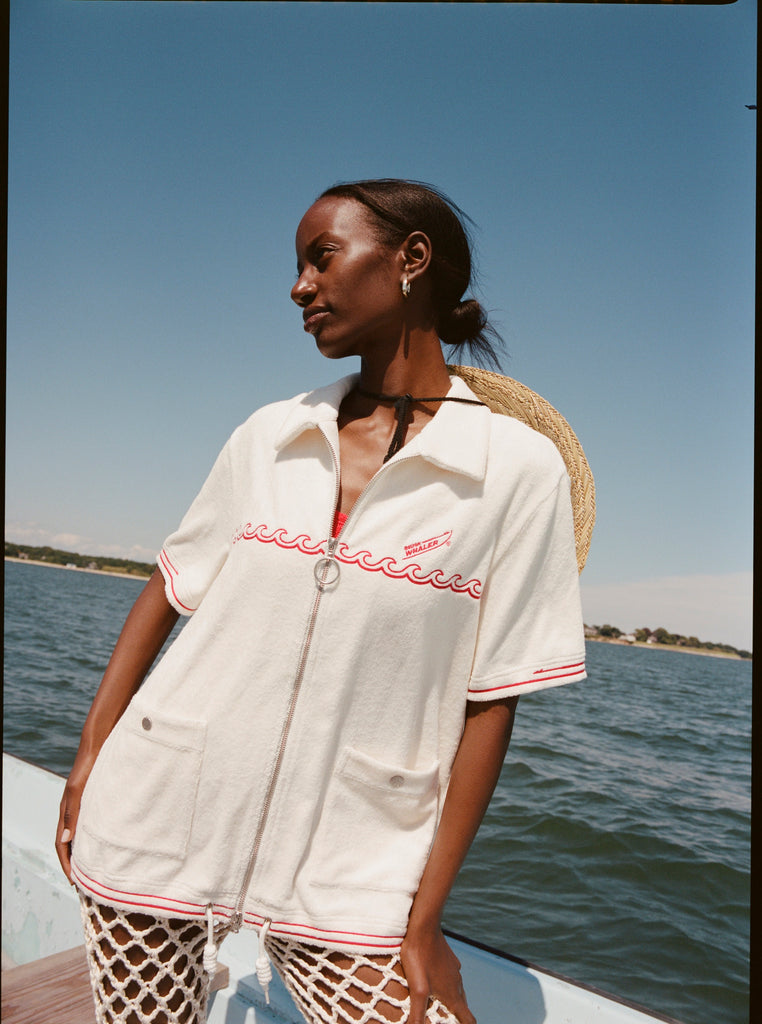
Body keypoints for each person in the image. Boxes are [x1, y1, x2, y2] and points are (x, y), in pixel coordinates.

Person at [56, 179, 588, 1024]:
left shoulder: (516, 471)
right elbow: (170, 585)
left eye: (321, 256)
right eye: (299, 266)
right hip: (154, 814)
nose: (300, 286)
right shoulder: (271, 434)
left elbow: (493, 700)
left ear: (411, 259)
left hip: (358, 865)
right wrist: (90, 762)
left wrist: (424, 920)